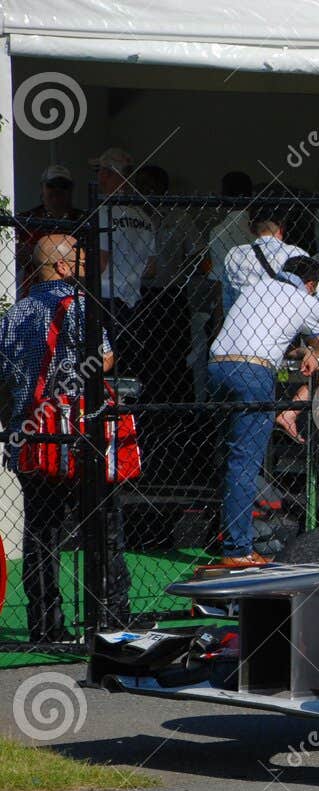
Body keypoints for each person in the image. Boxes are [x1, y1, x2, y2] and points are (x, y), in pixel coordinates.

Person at [0, 234, 130, 640]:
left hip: (29, 429)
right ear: (61, 267)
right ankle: (110, 613)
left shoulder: (14, 314)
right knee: (103, 520)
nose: (86, 261)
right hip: (75, 427)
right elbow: (104, 357)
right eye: (79, 256)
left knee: (42, 528)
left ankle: (45, 622)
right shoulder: (78, 304)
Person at [207, 255, 319, 566]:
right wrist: (312, 352)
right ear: (311, 284)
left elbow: (264, 334)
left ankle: (227, 536)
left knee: (230, 457)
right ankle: (238, 550)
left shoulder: (256, 287)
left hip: (217, 367)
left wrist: (299, 349)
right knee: (244, 463)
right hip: (253, 373)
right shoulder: (305, 299)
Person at [89, 147, 157, 354]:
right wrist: (129, 275)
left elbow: (99, 264)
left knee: (102, 359)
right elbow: (152, 268)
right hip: (133, 301)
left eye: (100, 170)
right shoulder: (145, 217)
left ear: (107, 174)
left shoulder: (103, 212)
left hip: (105, 299)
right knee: (128, 359)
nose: (98, 176)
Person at [219, 211, 311, 313]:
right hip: (286, 319)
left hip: (245, 319)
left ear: (252, 229)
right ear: (282, 228)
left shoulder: (235, 254)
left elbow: (228, 301)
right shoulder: (295, 253)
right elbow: (310, 298)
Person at [16, 165, 86, 294]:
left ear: (71, 190)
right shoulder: (27, 219)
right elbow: (18, 255)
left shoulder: (83, 220)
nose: (57, 190)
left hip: (74, 291)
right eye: (51, 185)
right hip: (34, 290)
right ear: (42, 188)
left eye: (63, 186)